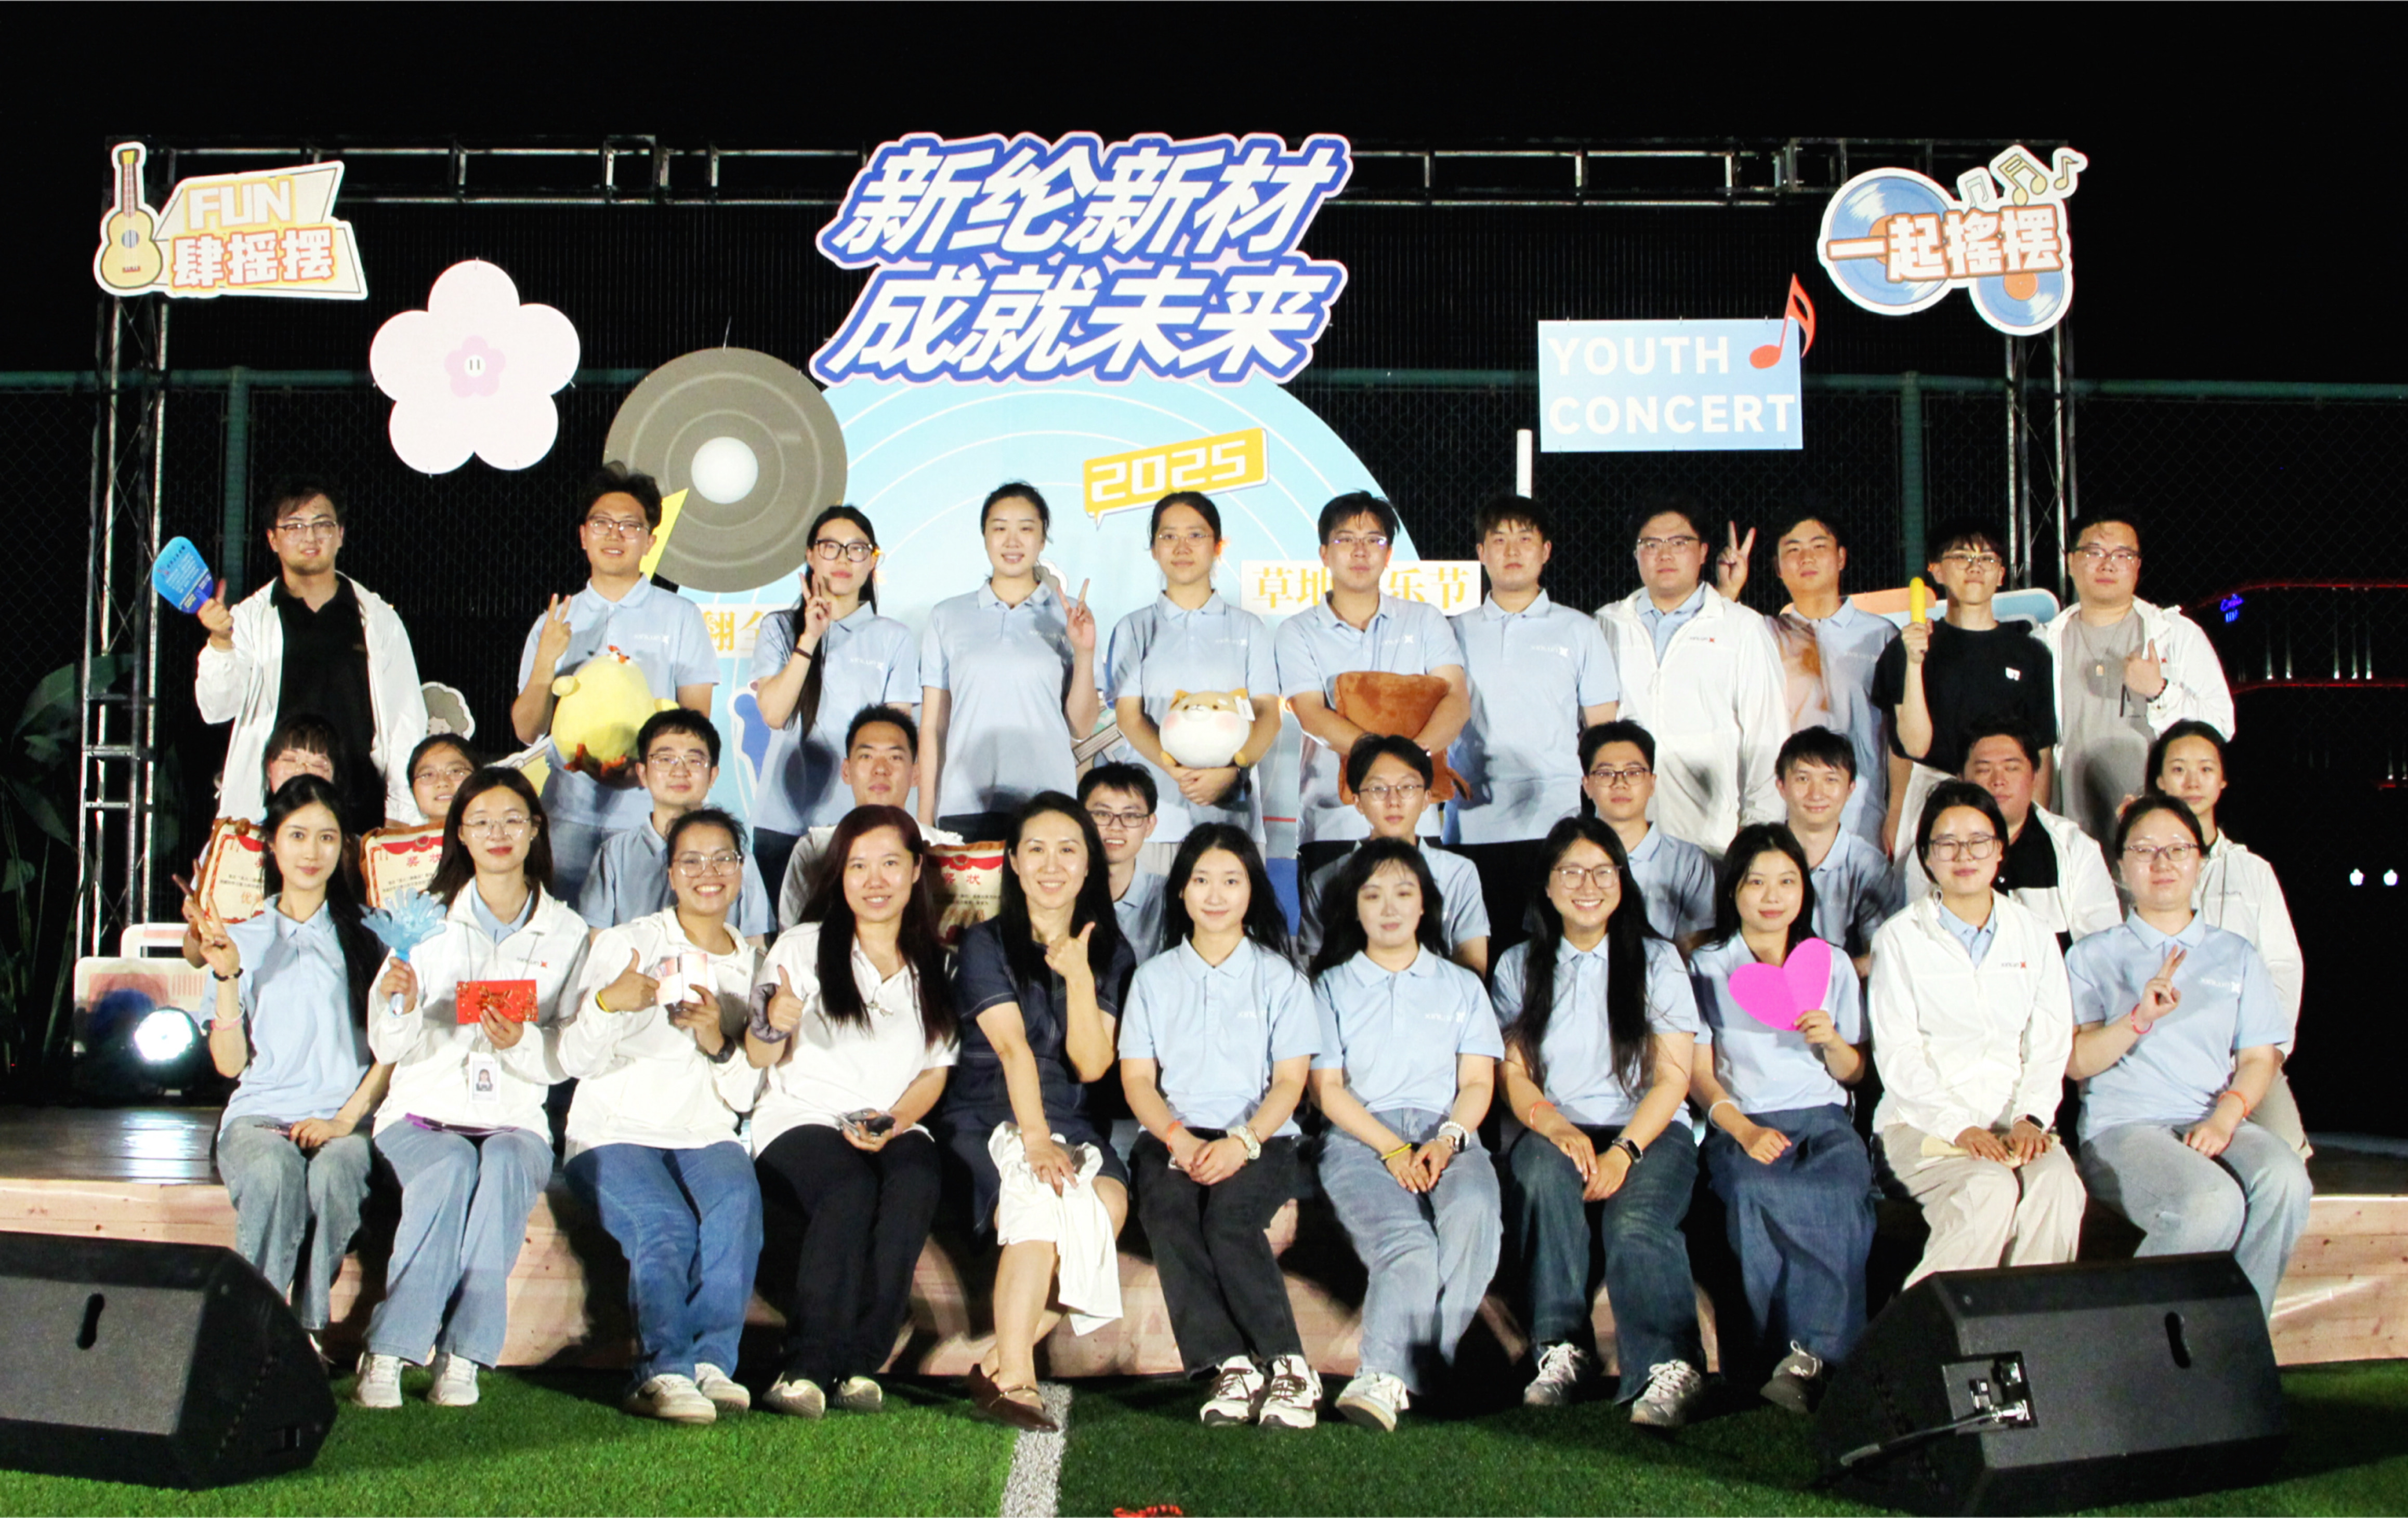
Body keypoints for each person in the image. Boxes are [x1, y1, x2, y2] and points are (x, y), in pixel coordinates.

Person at [354, 768, 588, 1410]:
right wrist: (401, 1003)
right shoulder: (423, 921)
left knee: (507, 1163)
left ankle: (464, 1355)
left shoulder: (568, 931)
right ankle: (390, 1348)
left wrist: (522, 1042)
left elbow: (567, 1054)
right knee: (452, 1165)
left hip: (514, 1116)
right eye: (481, 821)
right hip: (423, 1112)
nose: (497, 833)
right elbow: (388, 1046)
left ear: (536, 828)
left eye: (512, 819)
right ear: (460, 833)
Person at [930, 794, 1136, 1433]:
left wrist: (1079, 976)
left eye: (1068, 850)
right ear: (1014, 862)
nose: (1052, 864)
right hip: (989, 1111)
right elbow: (1013, 1049)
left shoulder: (1111, 952)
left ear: (1088, 864)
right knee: (1041, 1198)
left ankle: (996, 1361)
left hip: (1072, 1118)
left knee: (1106, 1205)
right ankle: (1017, 1377)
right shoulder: (985, 942)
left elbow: (1092, 1064)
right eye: (1036, 850)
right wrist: (1036, 1140)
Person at [1493, 816, 1708, 1428]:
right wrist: (1555, 1126)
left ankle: (1669, 1364)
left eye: (1601, 871)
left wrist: (1624, 1151)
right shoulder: (1518, 965)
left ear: (1621, 879)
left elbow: (1672, 1078)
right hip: (1554, 1126)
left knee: (1635, 1218)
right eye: (1571, 872)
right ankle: (1562, 1347)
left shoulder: (1658, 960)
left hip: (1647, 1130)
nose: (1587, 885)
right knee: (1540, 1176)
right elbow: (1512, 1073)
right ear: (1547, 885)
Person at [747, 806, 959, 1419]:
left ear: (916, 869)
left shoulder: (936, 961)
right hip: (803, 1116)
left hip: (892, 1119)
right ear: (839, 875)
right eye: (858, 865)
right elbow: (760, 1052)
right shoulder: (802, 946)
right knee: (847, 1187)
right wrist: (772, 1021)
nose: (875, 880)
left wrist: (893, 1121)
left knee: (916, 1176)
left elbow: (935, 1070)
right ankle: (806, 1366)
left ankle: (861, 1362)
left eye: (890, 863)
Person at [2065, 795, 2310, 1317]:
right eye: (2144, 850)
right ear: (2120, 867)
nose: (2162, 862)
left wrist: (2225, 1117)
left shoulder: (2235, 954)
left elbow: (2259, 1057)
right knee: (2211, 1202)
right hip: (2124, 1127)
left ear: (2198, 861)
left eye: (2177, 849)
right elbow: (2077, 1061)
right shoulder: (2090, 954)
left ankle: (2236, 1336)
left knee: (2286, 1178)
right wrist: (2137, 1018)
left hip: (2208, 1116)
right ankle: (2132, 1343)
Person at [561, 807, 765, 1425]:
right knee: (664, 1222)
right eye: (692, 860)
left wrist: (716, 1038)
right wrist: (608, 1003)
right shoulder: (631, 943)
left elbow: (745, 1093)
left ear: (741, 870)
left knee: (737, 1205)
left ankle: (711, 1362)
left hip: (703, 1130)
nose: (709, 872)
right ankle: (661, 1370)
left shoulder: (752, 963)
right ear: (671, 873)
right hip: (612, 1129)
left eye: (723, 858)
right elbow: (573, 1058)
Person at [1121, 825, 1321, 1429]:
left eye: (1231, 880)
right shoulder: (1153, 978)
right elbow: (1138, 1080)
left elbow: (1290, 1082)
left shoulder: (1280, 977)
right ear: (1181, 891)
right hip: (1175, 1134)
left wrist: (1243, 1142)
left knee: (1229, 1221)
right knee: (1168, 1210)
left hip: (1262, 1136)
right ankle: (1230, 1364)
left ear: (1251, 890)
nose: (1215, 894)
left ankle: (1289, 1365)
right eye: (1201, 880)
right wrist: (1178, 1138)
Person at [1307, 838, 1503, 1432]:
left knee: (1474, 1210)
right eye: (1372, 895)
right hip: (1361, 1135)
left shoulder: (1461, 984)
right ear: (1354, 907)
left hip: (1448, 1128)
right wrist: (1391, 1147)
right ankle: (1379, 1375)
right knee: (1409, 1243)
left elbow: (1477, 1081)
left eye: (1403, 892)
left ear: (1424, 904)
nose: (1388, 907)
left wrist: (1446, 1140)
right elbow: (1327, 1090)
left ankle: (1419, 1365)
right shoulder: (1330, 986)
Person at [188, 774, 389, 1349]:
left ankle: (304, 1332)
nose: (311, 851)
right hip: (260, 1117)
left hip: (345, 1119)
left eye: (327, 836)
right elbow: (229, 1065)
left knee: (335, 1172)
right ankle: (255, 1333)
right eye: (297, 835)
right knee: (273, 1171)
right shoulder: (242, 936)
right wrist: (228, 974)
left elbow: (392, 1051)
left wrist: (344, 1121)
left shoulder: (371, 936)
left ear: (343, 847)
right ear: (272, 844)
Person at [1684, 823, 1873, 1412]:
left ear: (1804, 890)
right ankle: (1769, 1355)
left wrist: (1831, 1040)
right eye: (1756, 882)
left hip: (1823, 1119)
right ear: (1733, 891)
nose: (1772, 895)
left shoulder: (1829, 963)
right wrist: (1742, 1130)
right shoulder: (1706, 965)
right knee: (1752, 1190)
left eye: (1787, 881)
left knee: (1838, 1192)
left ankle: (1815, 1357)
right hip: (1743, 1121)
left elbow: (1854, 1072)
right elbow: (1698, 1073)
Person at [1867, 782, 2083, 1289]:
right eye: (1946, 843)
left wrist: (2030, 1116)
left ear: (2000, 849)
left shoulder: (2034, 934)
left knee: (2057, 1183)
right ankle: (1920, 1330)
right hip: (1920, 1125)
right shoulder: (1898, 938)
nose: (1963, 855)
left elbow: (2049, 1043)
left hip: (2016, 1123)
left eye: (1978, 840)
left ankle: (2026, 1327)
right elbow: (1898, 1055)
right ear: (1926, 856)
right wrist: (1959, 1127)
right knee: (1988, 1188)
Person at [511, 464, 717, 901]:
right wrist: (546, 660)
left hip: (652, 816)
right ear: (583, 536)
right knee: (567, 932)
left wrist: (645, 770)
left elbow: (697, 723)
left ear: (650, 541)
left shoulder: (680, 616)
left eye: (630, 525)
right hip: (567, 813)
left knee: (648, 933)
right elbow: (527, 729)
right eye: (602, 523)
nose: (614, 535)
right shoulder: (556, 620)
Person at [194, 476, 429, 832]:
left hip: (360, 810)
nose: (310, 537)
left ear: (341, 534)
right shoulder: (248, 619)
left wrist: (401, 812)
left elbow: (405, 721)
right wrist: (220, 641)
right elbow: (217, 709)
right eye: (294, 526)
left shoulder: (378, 618)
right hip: (271, 814)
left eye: (322, 524)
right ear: (272, 539)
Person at [1446, 494, 1619, 954]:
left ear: (1545, 551)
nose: (1512, 550)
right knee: (1478, 953)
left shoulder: (1579, 629)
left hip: (1554, 822)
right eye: (1498, 539)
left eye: (1525, 539)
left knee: (1548, 954)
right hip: (1471, 822)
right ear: (1480, 553)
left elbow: (1602, 733)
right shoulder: (1451, 630)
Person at [1275, 491, 1469, 881]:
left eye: (1374, 540)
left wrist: (1410, 762)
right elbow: (1310, 712)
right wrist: (1391, 763)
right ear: (1324, 554)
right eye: (1345, 539)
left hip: (1416, 822)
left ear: (1389, 553)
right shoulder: (1297, 630)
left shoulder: (1425, 620)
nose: (1360, 551)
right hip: (1332, 823)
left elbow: (1457, 699)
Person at [1591, 490, 1785, 854]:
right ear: (1636, 553)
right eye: (1651, 544)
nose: (1664, 554)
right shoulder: (1607, 624)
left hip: (1715, 838)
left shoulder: (1742, 627)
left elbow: (1767, 737)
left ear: (1703, 552)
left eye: (1679, 543)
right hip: (1622, 837)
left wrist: (1757, 836)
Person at [2149, 720, 2309, 1154]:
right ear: (2159, 780)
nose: (2192, 781)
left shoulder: (2251, 870)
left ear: (2222, 780)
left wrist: (2268, 1051)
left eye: (2205, 769)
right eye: (2178, 769)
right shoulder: (2135, 866)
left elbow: (2282, 965)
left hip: (2242, 1053)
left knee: (2284, 1152)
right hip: (2163, 1051)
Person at [749, 506, 920, 899]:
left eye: (857, 549)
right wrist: (809, 637)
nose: (843, 559)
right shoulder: (780, 628)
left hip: (860, 827)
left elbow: (896, 740)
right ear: (810, 555)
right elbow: (774, 713)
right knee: (787, 936)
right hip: (783, 823)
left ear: (872, 562)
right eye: (830, 547)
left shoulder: (893, 637)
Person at [1107, 491, 1284, 865]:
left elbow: (1268, 713)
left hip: (1232, 821)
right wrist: (1176, 770)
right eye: (1168, 536)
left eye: (1196, 535)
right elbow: (1129, 717)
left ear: (1218, 546)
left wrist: (1233, 770)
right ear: (1153, 549)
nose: (1182, 547)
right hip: (1150, 821)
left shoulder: (1248, 628)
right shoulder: (1134, 627)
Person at [2039, 512, 2236, 843]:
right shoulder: (2044, 643)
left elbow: (2221, 727)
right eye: (2094, 553)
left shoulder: (2177, 635)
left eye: (2123, 555)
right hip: (2073, 834)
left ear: (2138, 566)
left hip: (2161, 836)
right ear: (2071, 562)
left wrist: (2160, 692)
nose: (2108, 565)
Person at [919, 483, 1100, 843]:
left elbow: (1081, 727)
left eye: (1026, 528)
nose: (1012, 541)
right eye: (1000, 528)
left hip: (1048, 804)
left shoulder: (1068, 616)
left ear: (1043, 539)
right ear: (985, 536)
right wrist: (925, 819)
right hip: (965, 804)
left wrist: (1084, 652)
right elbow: (933, 727)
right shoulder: (947, 616)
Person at [1871, 517, 2057, 859]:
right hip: (1930, 800)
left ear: (2001, 574)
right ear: (1937, 571)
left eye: (1987, 558)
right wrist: (1896, 811)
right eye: (1961, 557)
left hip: (2003, 800)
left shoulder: (2031, 655)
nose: (1975, 568)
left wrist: (2035, 821)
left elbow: (2041, 751)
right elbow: (1905, 748)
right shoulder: (1908, 647)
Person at [1896, 723, 2120, 949]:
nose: (1998, 781)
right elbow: (1919, 939)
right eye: (1984, 770)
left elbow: (2101, 952)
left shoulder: (2074, 847)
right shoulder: (1937, 849)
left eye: (2012, 768)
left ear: (2035, 775)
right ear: (1961, 778)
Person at [1754, 507, 1899, 850]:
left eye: (1819, 546)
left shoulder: (1882, 635)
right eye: (1793, 549)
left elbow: (1899, 736)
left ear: (1841, 558)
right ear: (1777, 567)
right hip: (1785, 815)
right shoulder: (1762, 635)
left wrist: (1896, 812)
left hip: (1865, 815)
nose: (1806, 558)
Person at [1297, 736, 1490, 973]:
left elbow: (1473, 962)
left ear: (1426, 799)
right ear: (1358, 802)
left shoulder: (1458, 873)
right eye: (1378, 789)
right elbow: (1321, 971)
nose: (1394, 801)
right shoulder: (1326, 879)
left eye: (1407, 788)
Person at [578, 711, 774, 942]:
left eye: (694, 761)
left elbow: (755, 945)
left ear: (713, 775)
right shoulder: (615, 855)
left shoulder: (737, 858)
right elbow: (597, 945)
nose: (680, 771)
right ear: (643, 773)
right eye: (665, 760)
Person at [777, 706, 964, 927]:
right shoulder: (815, 848)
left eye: (895, 757)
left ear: (915, 774)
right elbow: (792, 933)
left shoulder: (947, 850)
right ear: (846, 771)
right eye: (867, 756)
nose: (880, 769)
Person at [1578, 721, 1714, 951]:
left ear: (1652, 784)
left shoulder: (1688, 861)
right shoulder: (1563, 857)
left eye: (1633, 773)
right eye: (1606, 773)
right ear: (1587, 786)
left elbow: (1693, 949)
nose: (1620, 783)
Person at [1774, 727, 1898, 975]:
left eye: (1830, 780)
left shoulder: (1868, 866)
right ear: (1781, 786)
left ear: (1851, 788)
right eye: (1803, 779)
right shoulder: (1758, 855)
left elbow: (1881, 956)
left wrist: (1827, 978)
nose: (1816, 794)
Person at [1081, 763, 1167, 960]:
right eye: (1102, 814)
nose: (1116, 827)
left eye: (1131, 816)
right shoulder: (1061, 889)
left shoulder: (1170, 896)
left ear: (1149, 825)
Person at [405, 733, 477, 826]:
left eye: (455, 771)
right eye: (428, 775)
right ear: (412, 790)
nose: (442, 782)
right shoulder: (398, 835)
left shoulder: (494, 834)